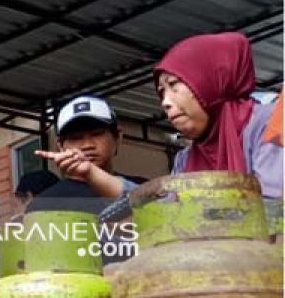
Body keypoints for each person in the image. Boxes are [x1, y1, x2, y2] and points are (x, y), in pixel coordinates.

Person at [40, 32, 282, 199]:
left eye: (174, 85)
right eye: (161, 92)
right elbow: (163, 212)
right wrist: (91, 173)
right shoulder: (185, 159)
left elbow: (276, 210)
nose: (165, 102)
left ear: (211, 80)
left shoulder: (270, 123)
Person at [29, 96, 141, 214]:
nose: (87, 145)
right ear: (61, 146)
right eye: (75, 138)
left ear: (118, 137)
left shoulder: (145, 189)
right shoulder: (44, 205)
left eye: (97, 134)